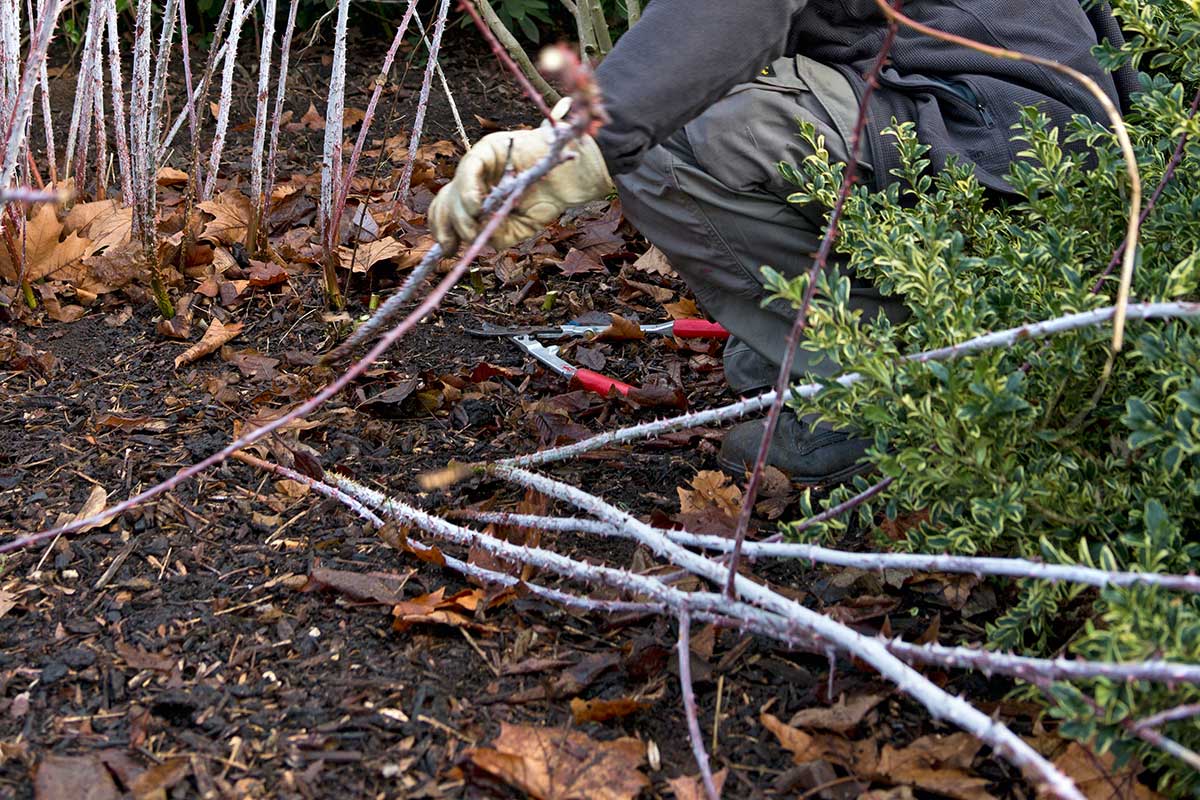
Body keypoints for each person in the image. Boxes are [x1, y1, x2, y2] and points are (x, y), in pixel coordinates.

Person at [428, 0, 1136, 483]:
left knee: (674, 139)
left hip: (999, 141)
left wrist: (585, 140)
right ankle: (889, 332)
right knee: (752, 355)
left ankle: (886, 394)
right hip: (1041, 152)